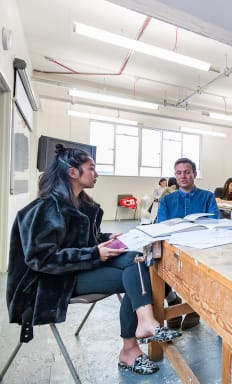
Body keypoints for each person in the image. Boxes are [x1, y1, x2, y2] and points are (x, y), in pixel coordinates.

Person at [6, 144, 181, 375]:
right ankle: (134, 341)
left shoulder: (80, 204)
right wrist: (95, 253)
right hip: (50, 282)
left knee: (138, 261)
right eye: (91, 168)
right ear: (72, 172)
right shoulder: (44, 208)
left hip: (78, 268)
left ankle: (141, 328)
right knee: (135, 277)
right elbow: (41, 259)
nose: (96, 174)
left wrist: (108, 238)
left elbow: (82, 240)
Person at [156, 157, 220, 330]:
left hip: (201, 247)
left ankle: (194, 307)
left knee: (205, 267)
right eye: (179, 173)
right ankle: (172, 301)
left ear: (194, 174)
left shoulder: (207, 197)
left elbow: (215, 224)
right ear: (175, 176)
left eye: (187, 172)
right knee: (154, 263)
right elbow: (160, 226)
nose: (183, 176)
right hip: (173, 246)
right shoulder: (167, 200)